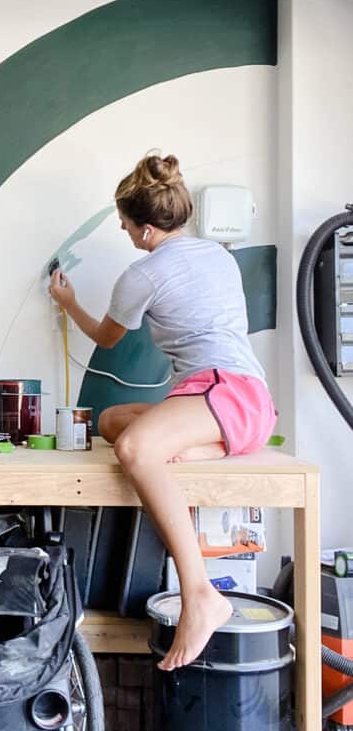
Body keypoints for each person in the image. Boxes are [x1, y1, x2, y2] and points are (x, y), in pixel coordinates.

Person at [49, 153, 276, 671]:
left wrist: (68, 302)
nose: (124, 231)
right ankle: (195, 450)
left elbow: (107, 338)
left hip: (223, 392)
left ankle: (201, 595)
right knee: (109, 422)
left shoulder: (142, 274)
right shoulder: (218, 255)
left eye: (126, 224)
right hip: (245, 404)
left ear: (147, 229)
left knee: (132, 447)